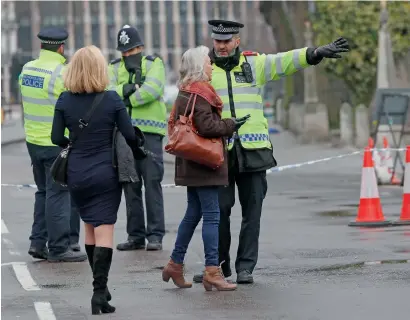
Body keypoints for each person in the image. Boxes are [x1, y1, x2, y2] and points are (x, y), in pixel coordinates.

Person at [193, 20, 350, 284]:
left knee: (252, 212)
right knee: (219, 212)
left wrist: (314, 53)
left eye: (226, 41)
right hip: (218, 152)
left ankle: (245, 267)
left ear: (237, 41)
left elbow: (284, 61)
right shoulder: (204, 70)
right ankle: (218, 266)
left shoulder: (254, 64)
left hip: (254, 150)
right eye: (217, 41)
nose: (221, 46)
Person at [51, 45, 142, 315]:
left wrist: (75, 145)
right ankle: (98, 293)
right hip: (105, 174)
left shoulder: (64, 100)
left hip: (77, 173)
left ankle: (100, 288)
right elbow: (128, 134)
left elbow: (56, 138)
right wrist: (140, 151)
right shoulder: (113, 100)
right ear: (100, 70)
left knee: (89, 228)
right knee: (104, 230)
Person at [162, 45, 250, 291]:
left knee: (193, 214)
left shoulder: (184, 91)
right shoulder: (200, 93)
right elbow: (207, 126)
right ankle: (212, 270)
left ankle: (175, 264)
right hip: (204, 163)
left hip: (191, 163)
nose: (212, 64)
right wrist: (230, 125)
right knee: (212, 215)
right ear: (200, 66)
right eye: (208, 62)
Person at [19, 27, 85, 262]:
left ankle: (38, 243)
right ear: (61, 47)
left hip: (32, 141)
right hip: (56, 143)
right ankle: (59, 248)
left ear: (41, 46)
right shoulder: (62, 73)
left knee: (43, 192)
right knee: (58, 194)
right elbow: (75, 104)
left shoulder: (27, 69)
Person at [109, 25, 167, 251]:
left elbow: (152, 89)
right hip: (124, 134)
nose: (127, 55)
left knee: (152, 183)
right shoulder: (112, 67)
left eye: (132, 50)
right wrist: (132, 88)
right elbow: (107, 90)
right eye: (124, 52)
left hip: (150, 134)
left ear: (141, 47)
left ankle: (155, 235)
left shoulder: (155, 64)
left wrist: (127, 99)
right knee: (130, 185)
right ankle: (135, 236)